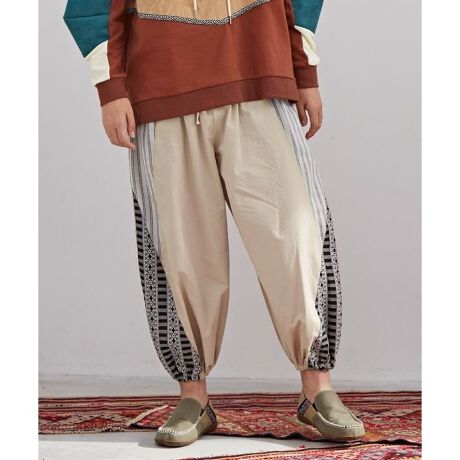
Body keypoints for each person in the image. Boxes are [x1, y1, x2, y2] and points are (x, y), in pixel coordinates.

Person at [63, 0, 365, 447]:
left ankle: (317, 389)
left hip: (261, 74)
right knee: (181, 250)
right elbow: (89, 6)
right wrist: (111, 90)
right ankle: (194, 398)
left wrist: (305, 74)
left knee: (297, 236)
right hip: (161, 88)